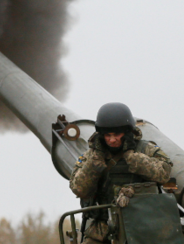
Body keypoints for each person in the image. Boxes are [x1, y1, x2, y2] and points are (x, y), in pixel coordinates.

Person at [69, 102, 173, 243]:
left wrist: (132, 157)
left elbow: (164, 174)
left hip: (143, 228)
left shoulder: (145, 149)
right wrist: (95, 161)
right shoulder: (91, 156)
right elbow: (78, 188)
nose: (112, 140)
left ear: (127, 132)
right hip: (102, 231)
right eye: (107, 135)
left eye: (117, 134)